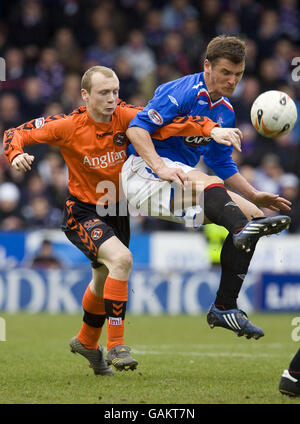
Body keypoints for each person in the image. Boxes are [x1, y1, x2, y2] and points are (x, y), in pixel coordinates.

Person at [3, 65, 234, 375]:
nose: (113, 98)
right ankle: (116, 346)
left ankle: (86, 342)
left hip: (117, 210)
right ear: (85, 95)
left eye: (115, 91)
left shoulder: (126, 117)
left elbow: (171, 124)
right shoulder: (67, 125)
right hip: (82, 211)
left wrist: (210, 129)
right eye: (104, 93)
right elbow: (14, 133)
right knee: (123, 260)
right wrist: (15, 154)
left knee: (103, 279)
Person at [123, 35, 292, 339]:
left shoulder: (225, 111)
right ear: (207, 66)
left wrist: (253, 194)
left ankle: (224, 307)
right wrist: (160, 166)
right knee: (214, 190)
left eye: (238, 74)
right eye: (226, 72)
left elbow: (222, 164)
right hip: (144, 174)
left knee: (254, 217)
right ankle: (239, 230)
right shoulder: (181, 91)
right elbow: (136, 128)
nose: (232, 81)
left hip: (182, 182)